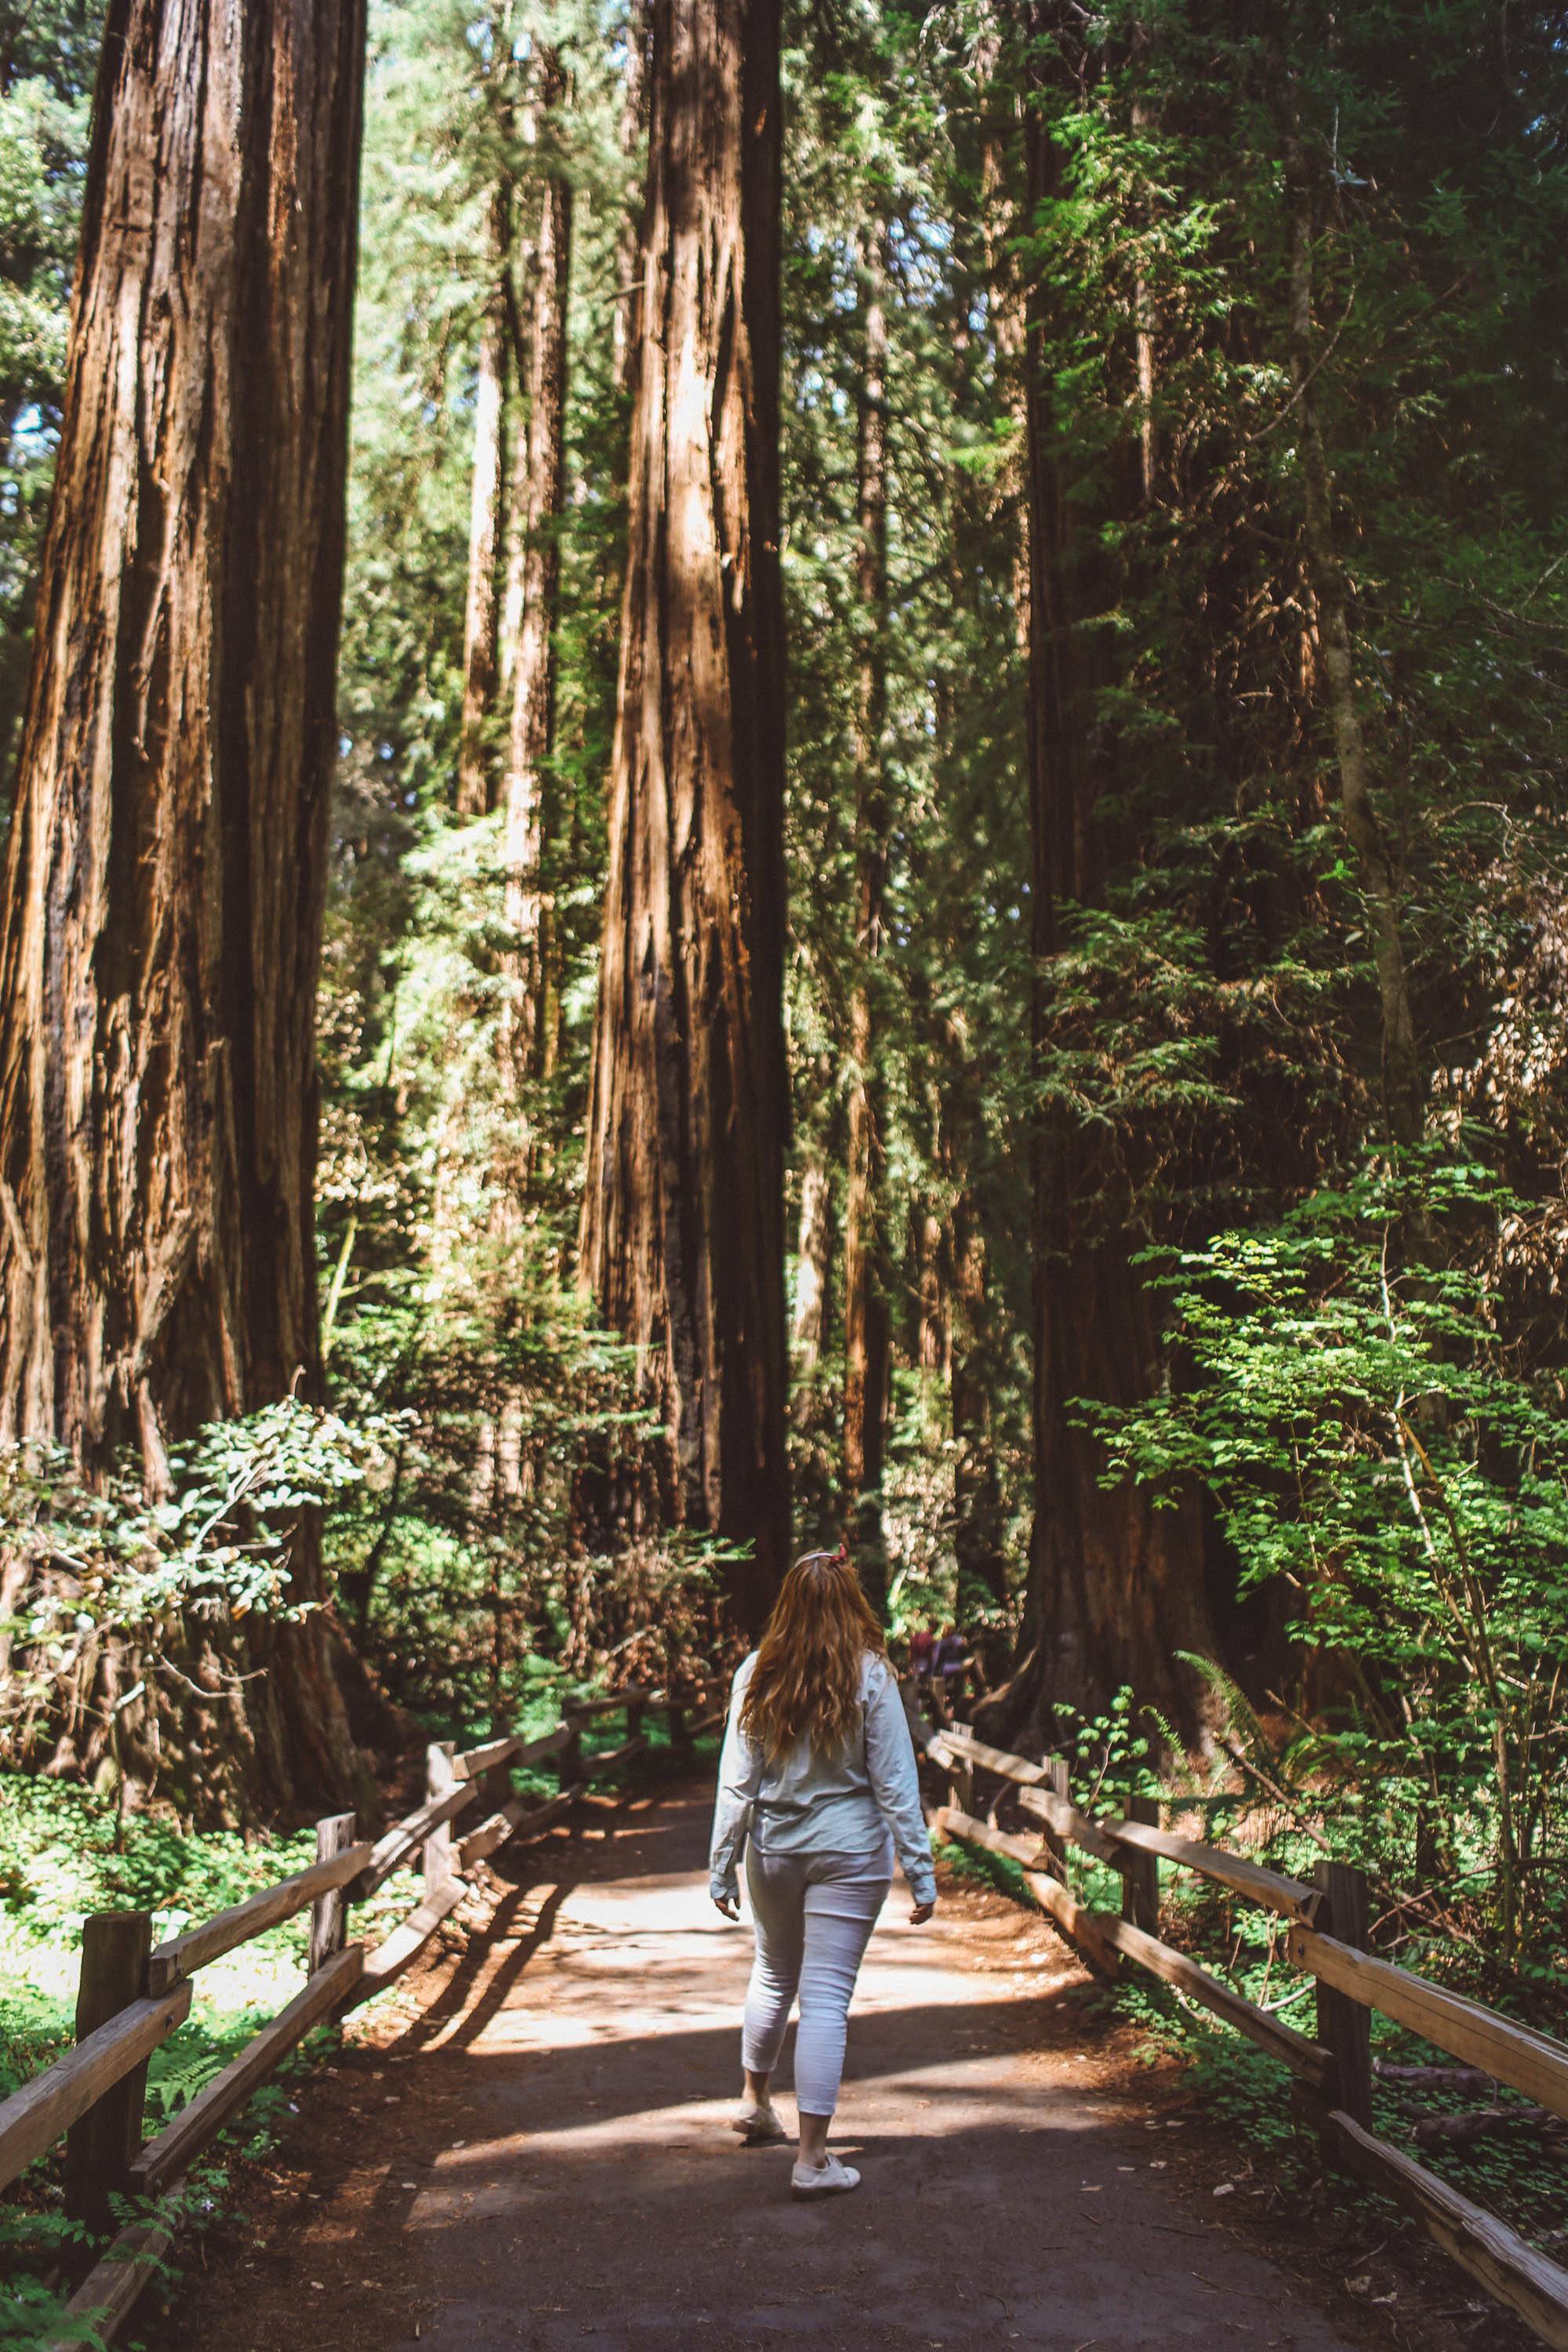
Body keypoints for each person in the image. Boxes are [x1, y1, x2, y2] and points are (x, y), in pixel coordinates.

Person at [709, 1547, 938, 2200]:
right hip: (851, 1853)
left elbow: (736, 1783)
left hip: (775, 1851)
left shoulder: (757, 1672)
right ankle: (811, 2160)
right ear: (850, 1606)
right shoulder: (872, 1675)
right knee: (827, 1997)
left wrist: (722, 1867)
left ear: (788, 1604)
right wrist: (920, 1874)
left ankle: (756, 2102)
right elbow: (896, 1783)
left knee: (773, 1971)